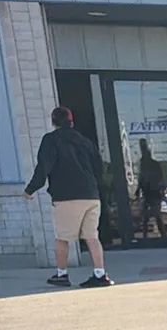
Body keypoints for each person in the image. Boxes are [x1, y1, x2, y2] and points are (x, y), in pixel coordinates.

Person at [24, 107, 112, 288]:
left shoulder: (51, 140)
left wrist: (30, 190)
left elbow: (44, 167)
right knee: (92, 237)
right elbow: (99, 168)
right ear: (71, 121)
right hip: (91, 195)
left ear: (53, 122)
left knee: (63, 238)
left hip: (67, 196)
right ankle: (100, 274)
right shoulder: (85, 142)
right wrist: (99, 190)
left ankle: (62, 274)